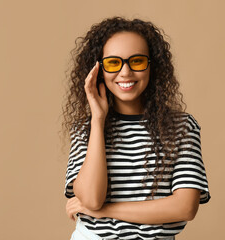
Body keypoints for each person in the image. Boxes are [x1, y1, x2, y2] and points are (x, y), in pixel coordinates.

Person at [62, 16, 211, 240]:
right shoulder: (86, 129)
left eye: (137, 61)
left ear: (153, 66)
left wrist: (104, 212)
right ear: (99, 69)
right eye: (113, 62)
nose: (125, 72)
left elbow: (185, 207)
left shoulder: (181, 127)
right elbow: (92, 198)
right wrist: (98, 120)